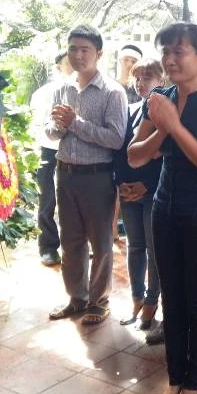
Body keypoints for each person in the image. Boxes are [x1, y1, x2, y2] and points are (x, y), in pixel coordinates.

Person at [127, 23, 197, 394]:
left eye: (179, 52)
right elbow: (135, 156)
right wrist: (162, 129)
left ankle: (194, 382)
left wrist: (173, 126)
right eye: (165, 52)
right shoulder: (159, 99)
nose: (170, 59)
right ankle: (175, 376)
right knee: (172, 299)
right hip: (165, 209)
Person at [46, 25, 127, 325]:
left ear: (99, 53)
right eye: (73, 49)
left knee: (101, 242)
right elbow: (50, 131)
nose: (78, 55)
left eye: (85, 50)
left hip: (97, 176)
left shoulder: (112, 92)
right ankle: (76, 298)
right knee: (70, 241)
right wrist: (59, 126)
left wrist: (75, 123)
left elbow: (116, 138)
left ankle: (99, 300)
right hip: (65, 173)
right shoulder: (62, 88)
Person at [113, 58, 164, 330]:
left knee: (154, 249)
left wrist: (146, 184)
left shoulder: (166, 111)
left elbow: (165, 157)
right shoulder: (130, 110)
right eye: (137, 77)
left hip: (153, 190)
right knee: (134, 246)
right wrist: (121, 183)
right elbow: (121, 151)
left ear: (161, 80)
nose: (140, 82)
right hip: (128, 189)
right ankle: (136, 298)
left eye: (147, 77)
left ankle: (152, 302)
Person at [30, 51, 73, 266]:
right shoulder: (43, 94)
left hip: (75, 151)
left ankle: (75, 246)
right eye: (69, 62)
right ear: (58, 68)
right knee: (47, 199)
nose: (75, 64)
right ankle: (48, 247)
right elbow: (37, 125)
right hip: (48, 150)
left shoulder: (86, 89)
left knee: (74, 201)